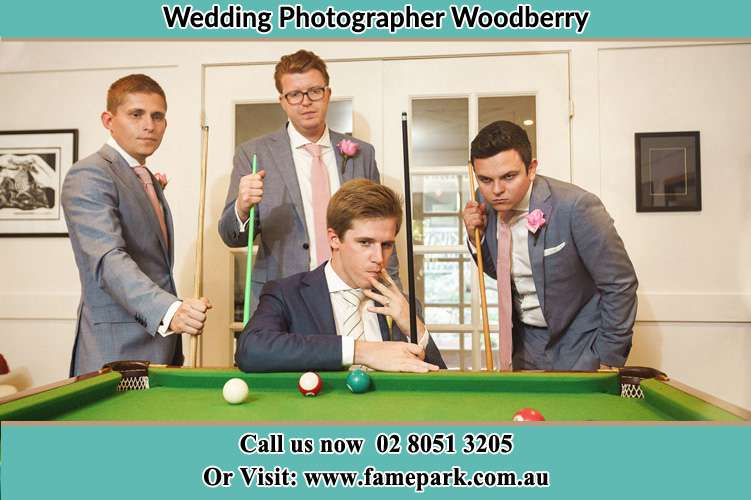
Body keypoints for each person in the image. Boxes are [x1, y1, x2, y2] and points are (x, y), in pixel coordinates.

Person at [218, 49, 400, 317]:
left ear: (327, 94)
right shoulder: (254, 154)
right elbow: (231, 237)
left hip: (355, 294)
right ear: (282, 100)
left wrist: (394, 292)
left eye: (314, 91)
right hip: (282, 298)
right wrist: (242, 208)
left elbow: (382, 230)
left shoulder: (362, 153)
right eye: (294, 94)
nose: (305, 102)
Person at [62, 74, 211, 376]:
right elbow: (107, 260)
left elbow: (152, 262)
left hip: (159, 347)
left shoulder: (146, 178)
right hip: (116, 354)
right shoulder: (88, 174)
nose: (149, 125)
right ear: (108, 119)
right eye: (136, 114)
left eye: (157, 116)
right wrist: (171, 311)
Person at [463, 121, 637, 371]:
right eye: (486, 179)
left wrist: (607, 355)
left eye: (509, 176)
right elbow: (499, 270)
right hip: (523, 346)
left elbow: (620, 284)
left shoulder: (577, 206)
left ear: (531, 168)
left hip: (580, 344)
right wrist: (474, 237)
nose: (497, 190)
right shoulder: (483, 202)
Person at [235, 179, 445, 372]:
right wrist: (361, 352)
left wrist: (415, 326)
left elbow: (440, 386)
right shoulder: (287, 294)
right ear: (334, 239)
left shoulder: (405, 306)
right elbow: (251, 350)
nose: (379, 258)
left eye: (387, 244)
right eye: (365, 243)